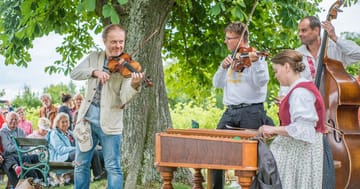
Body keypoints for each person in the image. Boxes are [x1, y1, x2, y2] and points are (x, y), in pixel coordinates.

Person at [70, 24, 143, 189]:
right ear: (104, 41)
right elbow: (74, 73)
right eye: (114, 42)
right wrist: (95, 72)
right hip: (87, 120)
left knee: (113, 167)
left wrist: (135, 84)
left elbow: (124, 97)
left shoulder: (127, 66)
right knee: (81, 165)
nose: (118, 46)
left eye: (121, 42)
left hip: (111, 122)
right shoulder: (94, 57)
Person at [259, 49, 333, 189]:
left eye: (276, 70)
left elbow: (304, 130)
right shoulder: (298, 89)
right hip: (298, 154)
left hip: (302, 155)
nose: (275, 76)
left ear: (287, 67)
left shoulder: (300, 92)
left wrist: (272, 128)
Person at [211, 22, 272, 189]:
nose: (225, 41)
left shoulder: (256, 59)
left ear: (240, 39)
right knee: (215, 148)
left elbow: (261, 83)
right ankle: (216, 187)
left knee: (252, 155)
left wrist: (257, 62)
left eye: (229, 38)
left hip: (251, 111)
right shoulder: (232, 59)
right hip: (230, 111)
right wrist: (223, 68)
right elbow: (217, 84)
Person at [278, 16, 360, 97]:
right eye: (299, 31)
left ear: (316, 30)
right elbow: (287, 79)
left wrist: (335, 38)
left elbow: (358, 54)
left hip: (333, 105)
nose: (299, 34)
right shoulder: (297, 54)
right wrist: (283, 95)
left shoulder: (335, 48)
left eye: (304, 30)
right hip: (307, 106)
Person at [0, 112, 40, 187]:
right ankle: (32, 180)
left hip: (20, 155)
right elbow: (8, 149)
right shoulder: (3, 132)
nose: (14, 121)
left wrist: (17, 147)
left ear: (18, 121)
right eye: (11, 119)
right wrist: (20, 146)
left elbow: (26, 147)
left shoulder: (21, 131)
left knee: (36, 157)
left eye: (16, 119)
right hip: (10, 157)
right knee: (24, 159)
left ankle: (40, 180)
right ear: (6, 120)